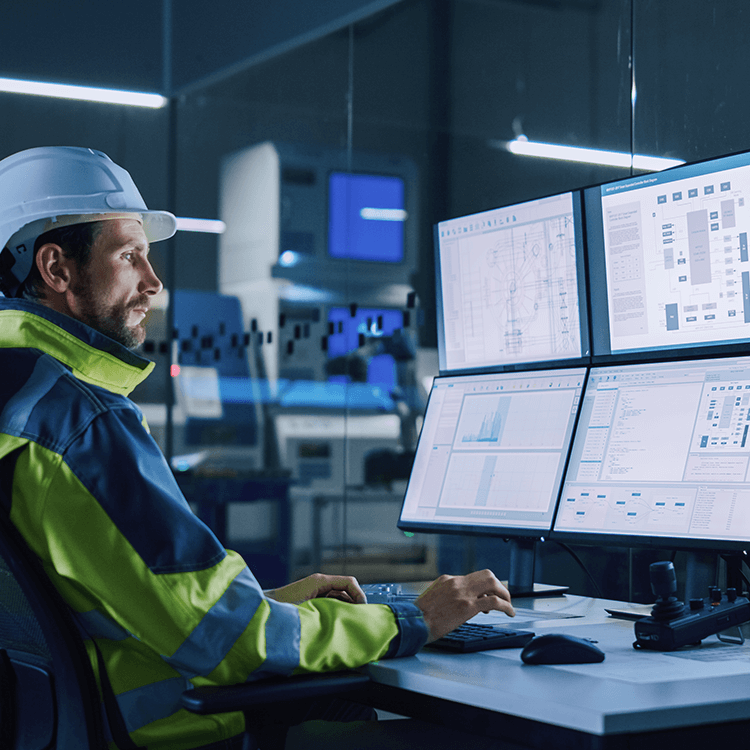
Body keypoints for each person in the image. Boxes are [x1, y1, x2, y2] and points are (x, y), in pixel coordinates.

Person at [0, 146, 515, 750]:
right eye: (128, 255)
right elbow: (228, 641)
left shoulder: (21, 398)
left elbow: (106, 597)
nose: (153, 281)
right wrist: (412, 617)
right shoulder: (80, 422)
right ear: (56, 269)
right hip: (182, 733)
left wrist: (264, 601)